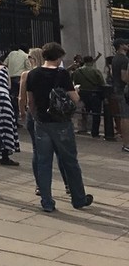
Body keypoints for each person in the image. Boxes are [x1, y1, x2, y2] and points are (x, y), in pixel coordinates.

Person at [26, 41, 93, 212]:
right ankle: (78, 198)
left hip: (41, 122)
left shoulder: (32, 74)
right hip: (61, 123)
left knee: (43, 162)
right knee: (69, 160)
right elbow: (75, 99)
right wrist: (76, 91)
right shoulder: (62, 74)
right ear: (59, 57)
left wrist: (36, 116)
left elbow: (30, 102)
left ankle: (47, 202)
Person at [19, 48, 68, 197]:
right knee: (61, 151)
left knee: (38, 151)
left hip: (35, 115)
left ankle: (40, 185)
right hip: (56, 115)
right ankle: (68, 184)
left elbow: (23, 98)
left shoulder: (27, 75)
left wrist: (22, 112)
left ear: (32, 59)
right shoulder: (58, 73)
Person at [71, 54, 105, 138]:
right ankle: (95, 132)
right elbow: (102, 83)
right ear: (91, 61)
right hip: (95, 94)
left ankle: (83, 128)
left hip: (82, 94)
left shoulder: (78, 71)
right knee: (96, 114)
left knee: (83, 112)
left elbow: (75, 83)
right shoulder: (96, 71)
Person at [111, 38, 129, 153]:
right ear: (121, 46)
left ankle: (126, 143)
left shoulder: (115, 58)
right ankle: (127, 143)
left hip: (117, 88)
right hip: (124, 90)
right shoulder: (124, 59)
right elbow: (125, 77)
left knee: (124, 116)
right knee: (126, 117)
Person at [4, 44, 29, 124]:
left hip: (11, 78)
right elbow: (29, 68)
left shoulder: (11, 54)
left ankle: (13, 117)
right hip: (20, 78)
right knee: (21, 97)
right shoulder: (25, 55)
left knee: (12, 98)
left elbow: (4, 64)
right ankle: (20, 114)